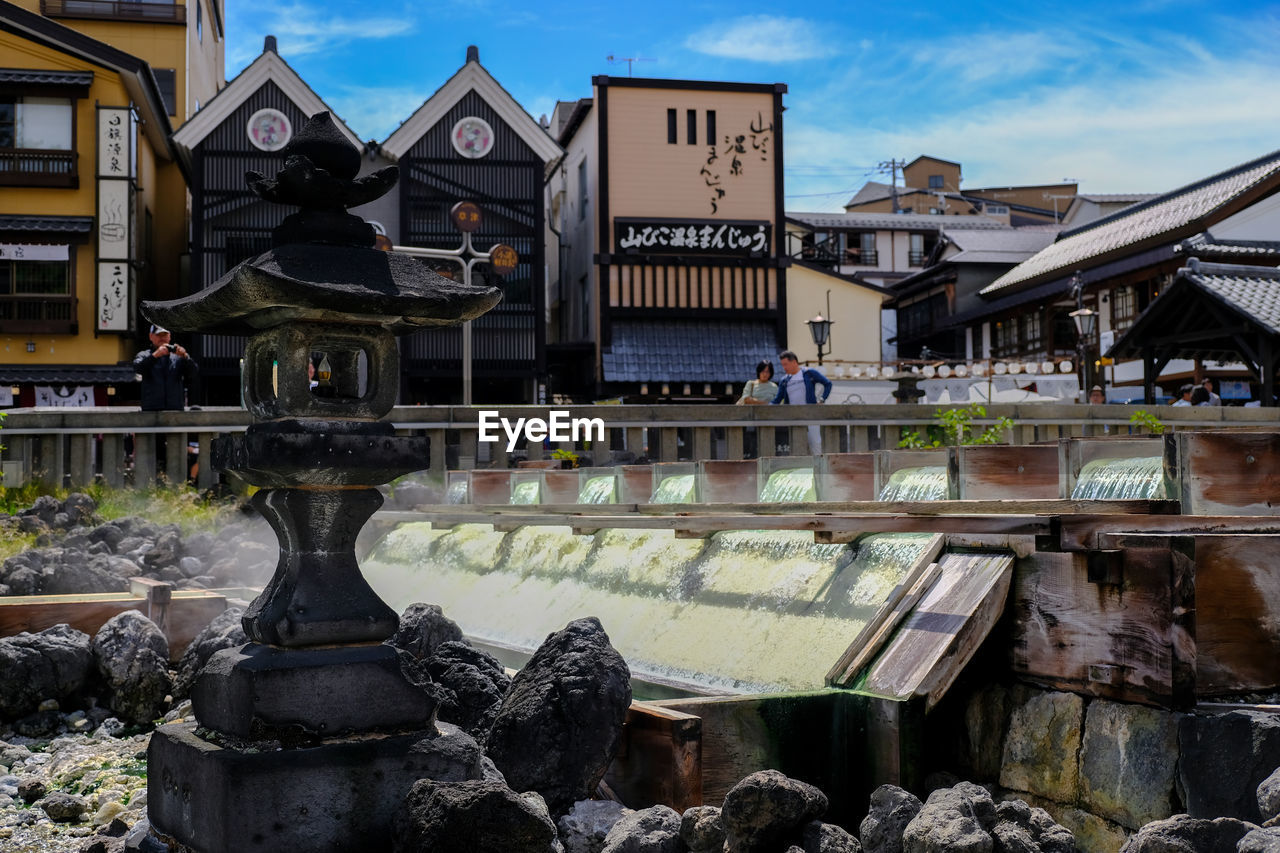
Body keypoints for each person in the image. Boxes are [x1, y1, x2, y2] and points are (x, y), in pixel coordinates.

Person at [772, 350, 832, 454]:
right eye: (782, 365)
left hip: (811, 415)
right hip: (793, 417)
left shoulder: (809, 373)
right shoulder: (784, 380)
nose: (784, 368)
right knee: (796, 446)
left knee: (815, 444)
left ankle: (819, 468)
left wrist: (822, 399)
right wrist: (766, 407)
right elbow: (777, 399)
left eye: (786, 364)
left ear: (794, 362)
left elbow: (828, 383)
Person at [134, 324, 198, 411]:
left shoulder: (178, 357)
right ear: (151, 336)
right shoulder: (144, 355)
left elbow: (193, 372)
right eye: (158, 335)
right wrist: (155, 356)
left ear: (169, 337)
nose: (162, 338)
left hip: (175, 408)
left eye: (164, 335)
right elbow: (138, 368)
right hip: (151, 409)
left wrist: (186, 356)